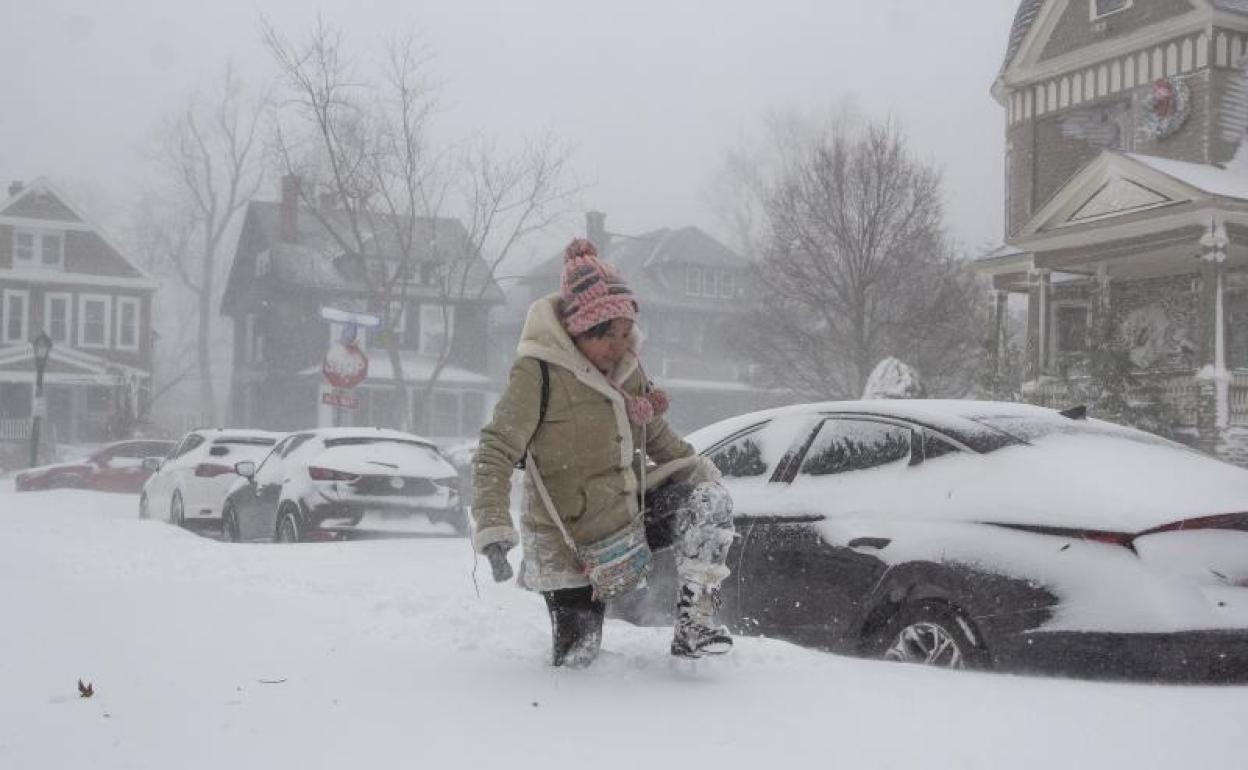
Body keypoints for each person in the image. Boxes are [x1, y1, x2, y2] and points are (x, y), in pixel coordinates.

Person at [471, 238, 736, 668]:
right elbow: (495, 450)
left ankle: (696, 622)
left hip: (627, 518)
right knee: (579, 661)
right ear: (578, 331)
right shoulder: (538, 371)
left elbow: (661, 439)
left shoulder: (628, 373)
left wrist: (708, 476)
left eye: (624, 332)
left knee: (707, 499)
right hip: (568, 541)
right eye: (605, 335)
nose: (618, 345)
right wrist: (494, 527)